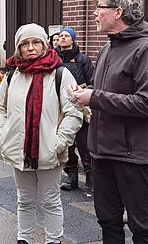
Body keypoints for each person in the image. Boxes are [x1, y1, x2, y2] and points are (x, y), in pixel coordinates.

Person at [70, 0, 148, 244]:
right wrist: (86, 93)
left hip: (132, 157)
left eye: (100, 7)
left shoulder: (147, 49)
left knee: (140, 227)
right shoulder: (107, 48)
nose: (95, 12)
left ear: (118, 12)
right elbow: (110, 92)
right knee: (108, 222)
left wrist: (96, 97)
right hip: (102, 153)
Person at [0, 23, 82, 244]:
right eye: (25, 44)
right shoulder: (13, 74)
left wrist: (58, 143)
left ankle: (53, 240)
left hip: (49, 151)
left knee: (51, 201)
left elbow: (74, 113)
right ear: (18, 48)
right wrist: (1, 135)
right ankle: (23, 239)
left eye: (36, 42)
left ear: (45, 44)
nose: (31, 48)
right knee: (24, 200)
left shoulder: (61, 74)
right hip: (18, 150)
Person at [57, 27, 95, 192]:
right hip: (62, 107)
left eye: (66, 36)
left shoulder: (83, 59)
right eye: (61, 36)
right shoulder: (55, 59)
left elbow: (93, 81)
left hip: (81, 106)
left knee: (84, 143)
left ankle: (90, 177)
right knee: (68, 144)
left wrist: (82, 90)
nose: (63, 38)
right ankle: (71, 176)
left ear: (73, 39)